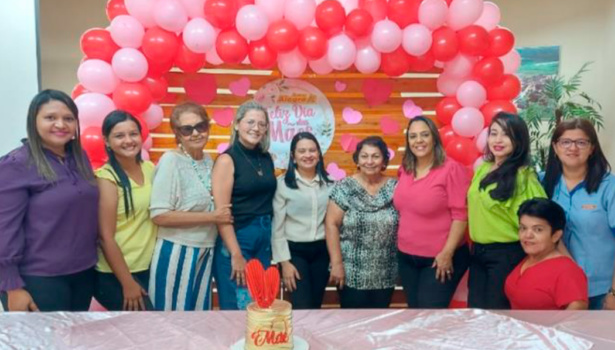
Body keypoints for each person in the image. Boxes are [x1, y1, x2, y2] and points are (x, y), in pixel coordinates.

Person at [0, 89, 98, 312]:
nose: (60, 124)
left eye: (68, 118)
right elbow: (4, 229)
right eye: (50, 117)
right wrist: (11, 287)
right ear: (34, 121)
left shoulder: (79, 157)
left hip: (83, 273)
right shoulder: (15, 164)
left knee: (74, 342)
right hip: (38, 278)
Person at [148, 102, 233, 311]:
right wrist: (213, 217)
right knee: (171, 319)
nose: (195, 133)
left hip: (205, 249)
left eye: (200, 126)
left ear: (208, 128)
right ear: (177, 133)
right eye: (187, 129)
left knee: (197, 318)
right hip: (177, 250)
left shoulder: (208, 160)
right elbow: (159, 215)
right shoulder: (171, 161)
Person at [467, 112, 546, 309]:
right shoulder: (484, 168)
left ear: (518, 140)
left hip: (506, 255)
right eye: (493, 133)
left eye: (506, 134)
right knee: (475, 315)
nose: (498, 140)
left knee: (498, 317)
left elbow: (542, 220)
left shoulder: (524, 177)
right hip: (477, 253)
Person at [394, 116, 471, 308]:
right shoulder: (405, 169)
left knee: (429, 316)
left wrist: (447, 253)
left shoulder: (451, 169)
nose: (418, 140)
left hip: (440, 259)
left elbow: (461, 215)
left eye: (424, 135)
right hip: (406, 257)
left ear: (434, 138)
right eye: (413, 136)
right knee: (414, 311)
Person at [542, 118, 615, 310]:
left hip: (600, 289)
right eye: (565, 142)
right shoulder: (543, 183)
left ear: (592, 148)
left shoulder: (609, 186)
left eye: (581, 142)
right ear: (555, 147)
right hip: (555, 286)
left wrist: (614, 292)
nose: (572, 148)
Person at [212, 101, 277, 310]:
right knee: (238, 304)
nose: (256, 128)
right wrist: (236, 254)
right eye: (250, 122)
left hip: (263, 239)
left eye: (261, 124)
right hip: (238, 239)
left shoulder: (265, 158)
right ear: (237, 125)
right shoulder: (226, 160)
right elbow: (222, 213)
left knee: (260, 302)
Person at [326, 136, 399, 309]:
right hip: (351, 272)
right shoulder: (344, 187)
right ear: (357, 160)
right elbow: (331, 224)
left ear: (384, 161)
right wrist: (336, 264)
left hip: (386, 273)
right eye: (364, 156)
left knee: (379, 325)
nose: (370, 161)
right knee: (352, 327)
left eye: (375, 156)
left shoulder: (395, 187)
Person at [95, 110, 157, 311]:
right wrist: (127, 282)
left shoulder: (149, 168)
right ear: (106, 141)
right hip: (115, 273)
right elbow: (105, 237)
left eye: (133, 134)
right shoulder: (106, 178)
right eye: (119, 136)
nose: (128, 140)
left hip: (147, 267)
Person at [272, 132, 333, 309]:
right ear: (293, 156)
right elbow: (277, 227)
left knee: (316, 305)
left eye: (312, 150)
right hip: (294, 253)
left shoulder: (329, 184)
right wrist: (284, 263)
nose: (308, 155)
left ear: (319, 154)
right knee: (302, 306)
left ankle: (311, 338)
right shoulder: (282, 184)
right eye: (302, 151)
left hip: (322, 252)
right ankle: (299, 337)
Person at [505, 198, 588, 310]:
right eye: (523, 228)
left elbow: (575, 316)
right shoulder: (528, 258)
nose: (527, 235)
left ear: (556, 235)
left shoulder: (567, 271)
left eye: (538, 230)